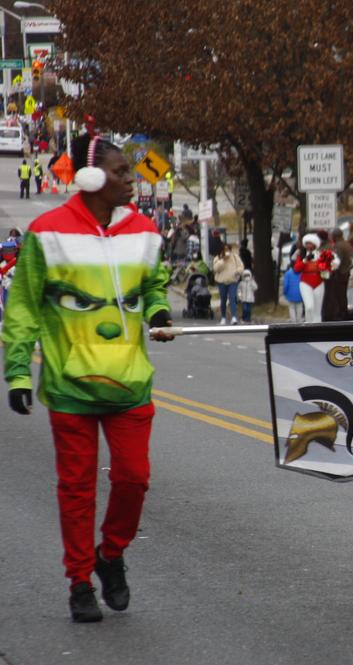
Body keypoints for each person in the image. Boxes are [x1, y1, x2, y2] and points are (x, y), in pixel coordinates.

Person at [2, 133, 175, 623]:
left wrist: (159, 312)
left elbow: (154, 283)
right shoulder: (47, 232)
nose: (131, 180)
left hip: (129, 383)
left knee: (134, 479)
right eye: (121, 172)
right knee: (76, 489)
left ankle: (111, 554)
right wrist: (17, 371)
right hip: (69, 386)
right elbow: (23, 307)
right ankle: (80, 582)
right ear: (91, 178)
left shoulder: (143, 230)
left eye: (131, 171)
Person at [293, 233, 329, 324]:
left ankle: (317, 326)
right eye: (307, 243)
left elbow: (326, 267)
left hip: (318, 282)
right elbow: (296, 268)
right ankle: (309, 323)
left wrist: (325, 267)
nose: (308, 245)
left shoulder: (320, 254)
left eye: (311, 243)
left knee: (317, 309)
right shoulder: (302, 255)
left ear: (315, 244)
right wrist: (305, 260)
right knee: (309, 306)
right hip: (305, 282)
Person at [322, 228, 353, 321]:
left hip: (340, 274)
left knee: (339, 296)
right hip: (346, 272)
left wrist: (331, 271)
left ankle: (341, 316)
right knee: (343, 295)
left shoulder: (339, 246)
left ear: (335, 236)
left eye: (332, 236)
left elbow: (337, 261)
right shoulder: (347, 244)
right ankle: (344, 314)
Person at [212, 243, 244, 325]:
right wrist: (223, 260)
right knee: (223, 300)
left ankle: (234, 317)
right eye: (225, 249)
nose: (227, 251)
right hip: (222, 282)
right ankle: (223, 317)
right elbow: (216, 269)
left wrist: (237, 272)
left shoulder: (235, 257)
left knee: (232, 298)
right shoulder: (218, 258)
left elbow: (241, 266)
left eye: (228, 249)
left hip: (232, 281)